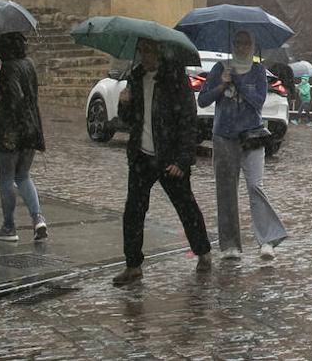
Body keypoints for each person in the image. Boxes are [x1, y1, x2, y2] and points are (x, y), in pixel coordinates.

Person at [113, 39, 211, 286]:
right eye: (141, 51)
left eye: (149, 50)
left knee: (186, 206)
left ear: (159, 51)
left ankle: (203, 252)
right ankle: (133, 265)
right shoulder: (135, 78)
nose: (145, 56)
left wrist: (183, 159)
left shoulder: (175, 79)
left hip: (169, 157)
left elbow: (188, 120)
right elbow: (128, 120)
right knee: (133, 212)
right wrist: (123, 103)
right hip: (141, 156)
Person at [198, 30, 287, 261]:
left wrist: (237, 80)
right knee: (226, 190)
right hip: (224, 135)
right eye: (237, 42)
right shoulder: (220, 68)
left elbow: (258, 101)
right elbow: (203, 99)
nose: (242, 47)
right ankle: (230, 245)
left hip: (252, 136)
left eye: (246, 43)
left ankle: (267, 240)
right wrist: (221, 85)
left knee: (255, 186)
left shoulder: (258, 71)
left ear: (253, 45)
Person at [0, 33, 47, 242]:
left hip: (11, 130)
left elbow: (14, 96)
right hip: (31, 126)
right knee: (23, 175)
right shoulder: (29, 64)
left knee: (6, 177)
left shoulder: (9, 67)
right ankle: (37, 218)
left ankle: (9, 226)